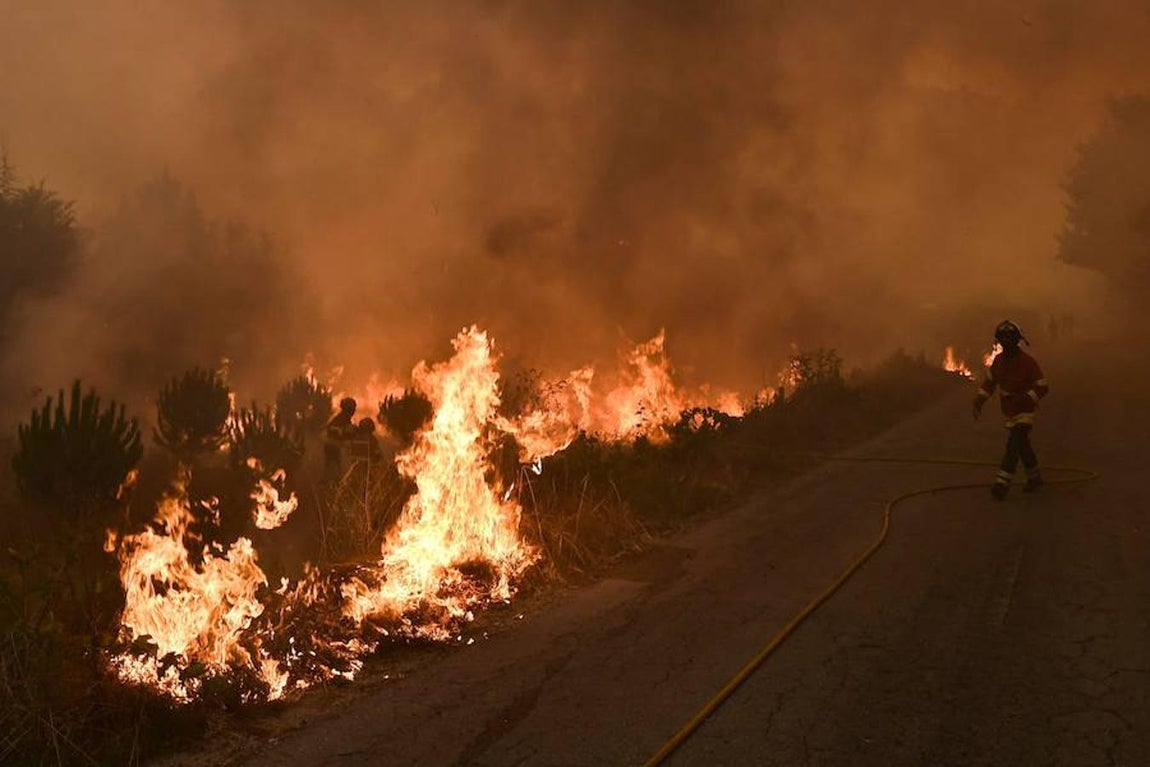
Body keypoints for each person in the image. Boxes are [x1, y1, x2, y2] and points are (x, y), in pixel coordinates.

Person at [973, 320, 1050, 500]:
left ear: (1017, 341)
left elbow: (1043, 387)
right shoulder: (998, 361)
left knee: (1014, 444)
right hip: (1009, 410)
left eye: (1010, 339)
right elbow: (989, 383)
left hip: (1026, 410)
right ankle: (1034, 477)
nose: (1006, 344)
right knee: (1022, 445)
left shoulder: (1028, 362)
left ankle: (1002, 483)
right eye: (1003, 340)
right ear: (998, 342)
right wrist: (979, 400)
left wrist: (1025, 399)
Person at [324, 397, 358, 473]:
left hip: (336, 447)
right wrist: (344, 432)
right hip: (334, 447)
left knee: (334, 470)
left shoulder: (345, 418)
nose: (354, 410)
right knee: (335, 470)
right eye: (353, 408)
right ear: (348, 409)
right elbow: (332, 429)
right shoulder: (341, 418)